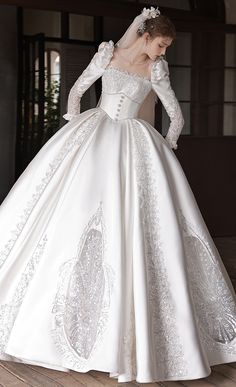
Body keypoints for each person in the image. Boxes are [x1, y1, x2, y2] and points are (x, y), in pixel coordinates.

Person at [0, 4, 236, 384]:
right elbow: (78, 89)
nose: (163, 53)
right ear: (145, 35)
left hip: (136, 142)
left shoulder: (155, 69)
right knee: (73, 213)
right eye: (161, 44)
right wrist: (76, 121)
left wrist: (168, 141)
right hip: (94, 135)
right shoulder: (108, 54)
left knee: (141, 225)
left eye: (166, 48)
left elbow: (175, 113)